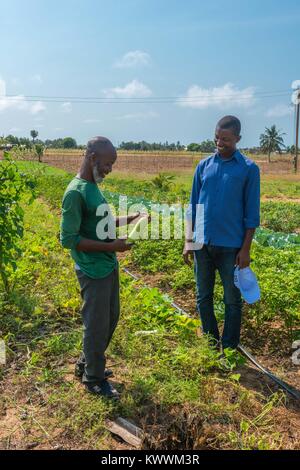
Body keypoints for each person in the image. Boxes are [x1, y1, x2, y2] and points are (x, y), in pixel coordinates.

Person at [60, 136, 142, 399]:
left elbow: (102, 224)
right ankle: (93, 380)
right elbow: (68, 239)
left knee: (110, 318)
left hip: (106, 266)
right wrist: (111, 247)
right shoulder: (75, 192)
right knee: (96, 325)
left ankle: (86, 364)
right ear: (92, 158)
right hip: (92, 270)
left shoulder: (92, 187)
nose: (110, 169)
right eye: (108, 163)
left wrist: (130, 218)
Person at [183, 116, 260, 350]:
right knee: (203, 297)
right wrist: (188, 240)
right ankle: (210, 343)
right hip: (201, 244)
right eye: (217, 137)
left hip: (231, 248)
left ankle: (229, 347)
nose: (219, 142)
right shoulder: (203, 166)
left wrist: (245, 249)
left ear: (237, 138)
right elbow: (193, 206)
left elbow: (251, 215)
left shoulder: (248, 169)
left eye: (225, 139)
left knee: (232, 301)